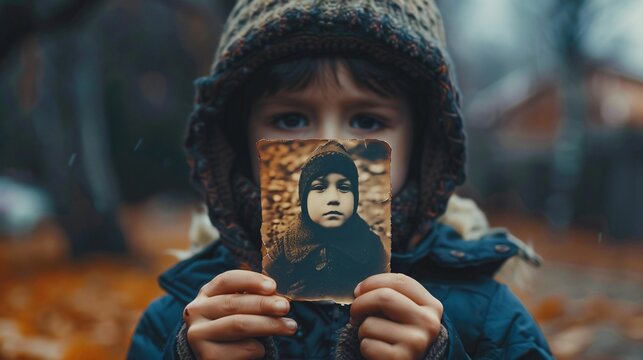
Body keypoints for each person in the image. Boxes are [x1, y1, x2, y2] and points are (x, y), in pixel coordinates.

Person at [128, 0, 554, 359]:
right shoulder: (183, 316)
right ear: (239, 139)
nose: (328, 147)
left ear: (423, 144)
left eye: (367, 120)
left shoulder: (487, 316)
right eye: (291, 118)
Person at [263, 140, 388, 301]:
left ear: (355, 197)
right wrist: (284, 296)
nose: (333, 199)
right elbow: (265, 281)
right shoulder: (289, 243)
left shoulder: (370, 243)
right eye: (320, 187)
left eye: (344, 188)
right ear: (304, 197)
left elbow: (388, 281)